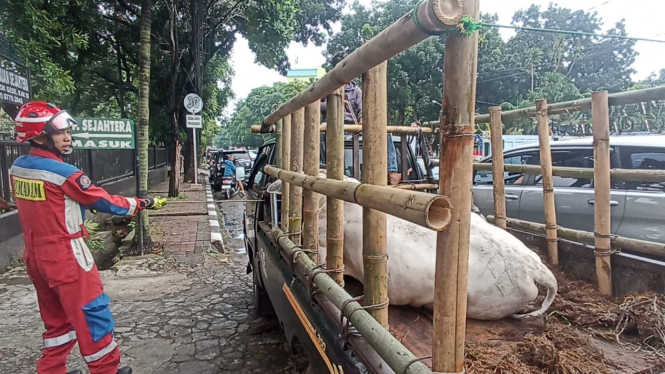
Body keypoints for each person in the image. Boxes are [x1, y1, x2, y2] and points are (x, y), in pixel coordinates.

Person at [9, 101, 167, 374]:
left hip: (35, 256)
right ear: (39, 136)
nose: (68, 137)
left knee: (56, 322)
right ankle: (107, 370)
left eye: (68, 131)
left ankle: (51, 370)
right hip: (66, 254)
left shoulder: (18, 168)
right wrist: (143, 203)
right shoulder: (64, 173)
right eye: (60, 133)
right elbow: (105, 202)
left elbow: (50, 204)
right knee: (93, 315)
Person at [321, 51, 401, 185]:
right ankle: (323, 168)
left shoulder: (356, 90)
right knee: (320, 135)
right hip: (331, 127)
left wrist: (363, 120)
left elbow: (362, 110)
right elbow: (315, 105)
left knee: (385, 133)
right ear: (335, 68)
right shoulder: (325, 86)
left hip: (352, 129)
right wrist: (332, 103)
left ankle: (391, 171)